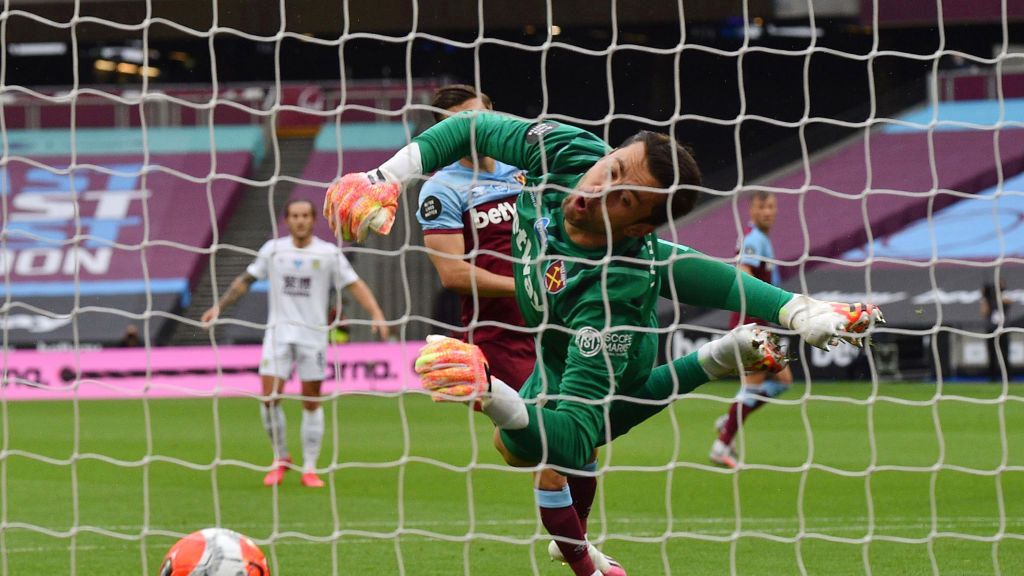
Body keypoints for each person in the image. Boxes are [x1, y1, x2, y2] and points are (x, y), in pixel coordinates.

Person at [324, 111, 883, 575]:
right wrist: (384, 177)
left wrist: (490, 391)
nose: (597, 191)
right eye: (611, 169)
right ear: (608, 151)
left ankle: (710, 361)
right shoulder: (572, 152)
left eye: (622, 198)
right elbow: (467, 129)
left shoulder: (612, 295)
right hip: (550, 340)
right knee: (513, 449)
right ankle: (748, 338)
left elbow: (568, 437)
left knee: (544, 450)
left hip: (605, 356)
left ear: (640, 227)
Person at [201, 199, 390, 488]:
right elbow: (245, 281)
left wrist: (376, 313)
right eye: (294, 216)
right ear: (287, 220)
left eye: (304, 215)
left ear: (313, 220)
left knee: (311, 401)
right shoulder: (273, 250)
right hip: (277, 334)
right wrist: (219, 306)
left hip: (312, 337)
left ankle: (310, 468)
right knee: (268, 398)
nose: (300, 220)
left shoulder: (328, 254)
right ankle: (281, 457)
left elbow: (354, 284)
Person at [416, 84, 535, 388]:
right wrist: (527, 287)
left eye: (478, 118)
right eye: (459, 125)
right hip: (500, 334)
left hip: (556, 320)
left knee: (576, 426)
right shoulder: (442, 188)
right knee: (535, 428)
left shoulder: (526, 168)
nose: (472, 130)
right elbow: (453, 274)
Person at [709, 189, 796, 469]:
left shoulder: (761, 239)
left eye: (771, 206)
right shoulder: (753, 241)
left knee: (783, 381)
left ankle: (732, 416)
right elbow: (744, 275)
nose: (768, 212)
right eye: (762, 206)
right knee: (754, 385)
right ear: (751, 210)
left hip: (760, 324)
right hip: (750, 324)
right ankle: (722, 443)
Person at [981, 278, 1012, 382]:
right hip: (991, 328)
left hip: (1003, 328)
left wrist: (997, 295)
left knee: (1005, 353)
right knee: (992, 353)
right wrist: (985, 297)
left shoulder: (1004, 295)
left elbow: (1009, 301)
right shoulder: (989, 298)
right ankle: (992, 377)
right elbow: (984, 312)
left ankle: (1007, 376)